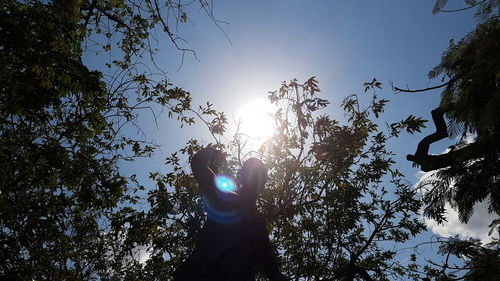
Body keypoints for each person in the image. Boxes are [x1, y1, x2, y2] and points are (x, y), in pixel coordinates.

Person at [174, 147, 287, 281]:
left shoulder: (257, 221)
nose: (252, 175)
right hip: (206, 266)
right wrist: (210, 152)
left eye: (256, 173)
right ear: (242, 175)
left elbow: (270, 266)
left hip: (238, 272)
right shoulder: (224, 197)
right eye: (248, 170)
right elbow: (199, 166)